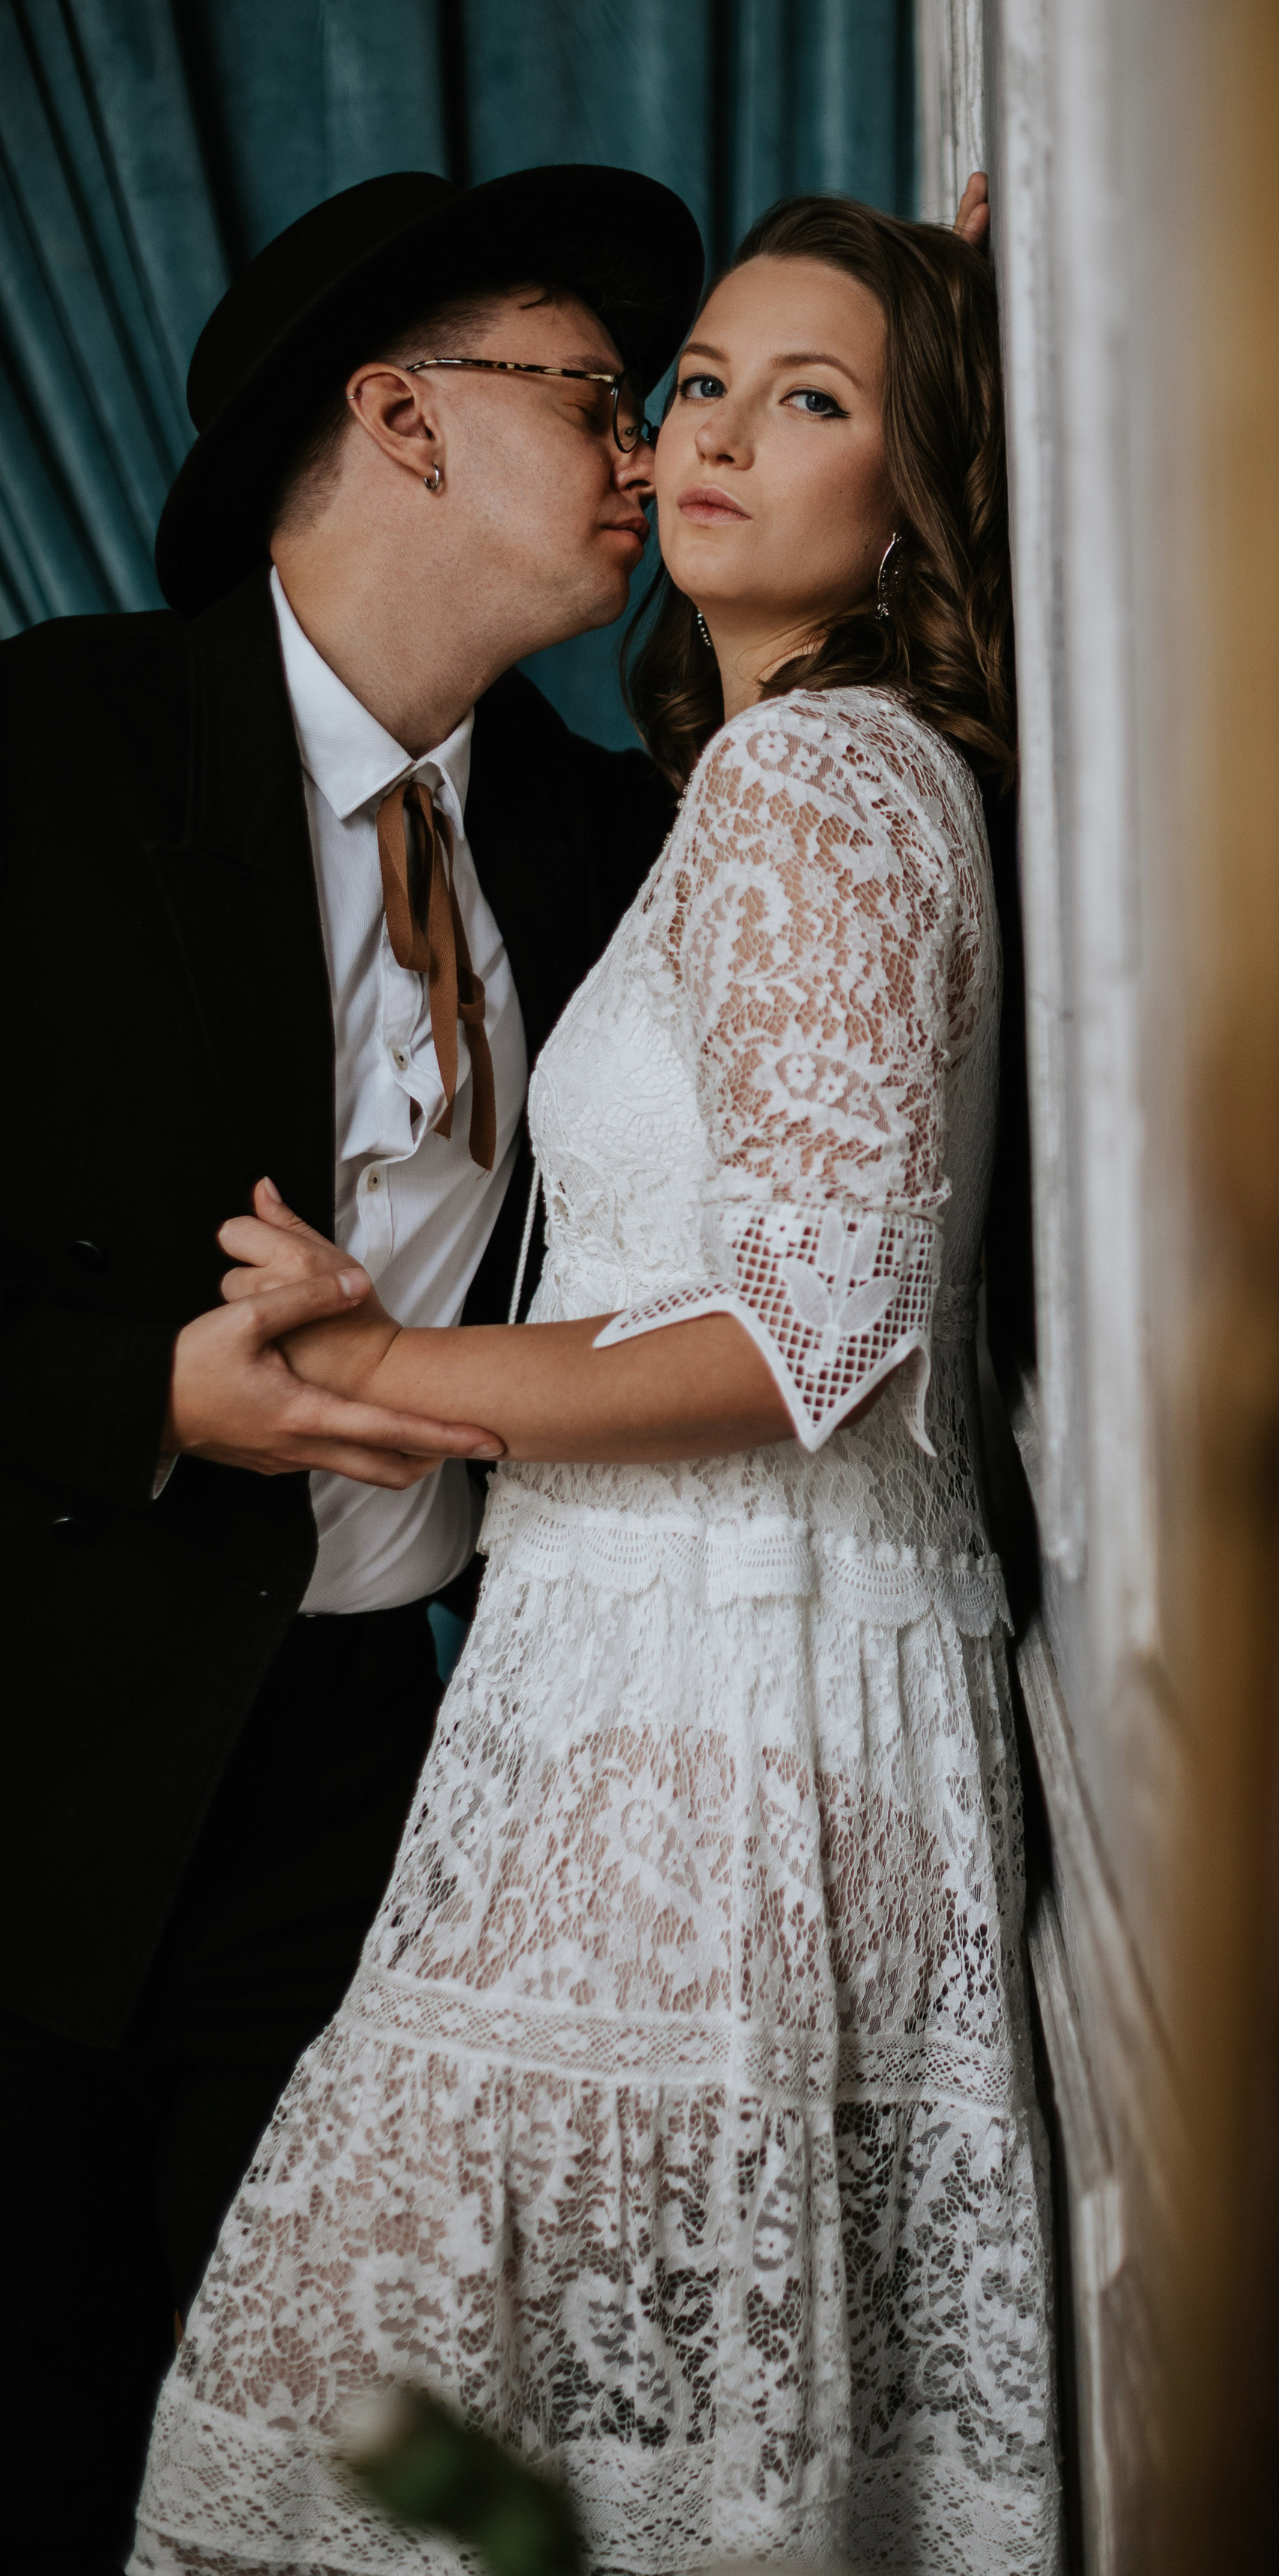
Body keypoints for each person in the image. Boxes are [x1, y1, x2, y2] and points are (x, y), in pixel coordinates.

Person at [130, 193, 1065, 2576]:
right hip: (551, 1695)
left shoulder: (808, 787)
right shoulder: (709, 789)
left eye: (805, 399)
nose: (686, 441)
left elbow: (814, 1332)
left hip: (703, 1709)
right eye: (673, 386)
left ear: (926, 482)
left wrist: (383, 1364)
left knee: (437, 2443)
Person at [0, 161, 710, 2575]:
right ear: (402, 418)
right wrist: (148, 1395)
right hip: (42, 1738)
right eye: (595, 396)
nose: (645, 452)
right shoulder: (52, 751)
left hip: (374, 1779)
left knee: (289, 2480)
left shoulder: (607, 838)